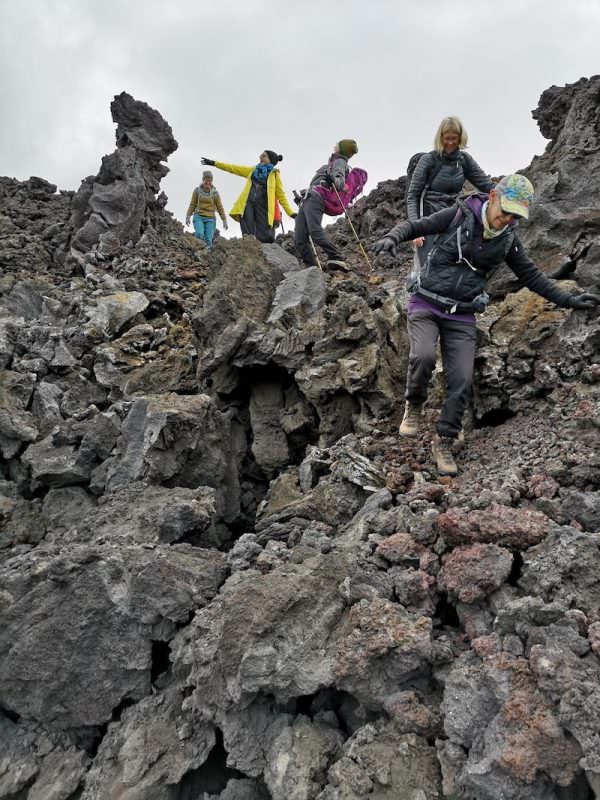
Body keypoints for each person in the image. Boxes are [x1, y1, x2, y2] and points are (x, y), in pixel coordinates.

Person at [373, 174, 600, 477]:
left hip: (462, 313)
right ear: (492, 196)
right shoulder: (457, 214)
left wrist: (569, 299)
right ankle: (413, 405)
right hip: (426, 302)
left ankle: (444, 441)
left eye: (514, 215)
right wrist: (391, 237)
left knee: (462, 379)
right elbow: (416, 226)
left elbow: (532, 277)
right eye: (505, 210)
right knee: (424, 356)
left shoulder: (507, 240)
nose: (507, 219)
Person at [407, 117, 494, 266]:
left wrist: (507, 194)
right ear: (440, 138)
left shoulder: (464, 160)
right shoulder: (429, 160)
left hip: (454, 217)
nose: (451, 142)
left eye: (455, 138)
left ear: (461, 138)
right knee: (428, 266)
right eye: (447, 138)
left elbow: (485, 183)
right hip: (429, 219)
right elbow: (413, 196)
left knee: (454, 264)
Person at [201, 150, 295, 243]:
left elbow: (281, 196)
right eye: (260, 155)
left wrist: (290, 213)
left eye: (264, 156)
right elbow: (233, 168)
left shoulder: (274, 175)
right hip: (248, 203)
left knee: (265, 237)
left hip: (263, 206)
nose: (260, 157)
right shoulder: (253, 170)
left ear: (271, 160)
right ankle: (248, 244)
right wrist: (214, 163)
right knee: (248, 234)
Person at [294, 139, 358, 271]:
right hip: (308, 198)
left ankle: (337, 257)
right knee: (300, 237)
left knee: (314, 231)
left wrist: (333, 179)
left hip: (315, 198)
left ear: (342, 149)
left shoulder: (339, 162)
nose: (334, 145)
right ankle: (312, 268)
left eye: (337, 144)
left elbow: (339, 184)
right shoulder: (331, 163)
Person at [185, 170, 227, 249]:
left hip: (210, 218)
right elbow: (192, 204)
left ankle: (207, 257)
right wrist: (188, 216)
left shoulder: (215, 193)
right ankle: (197, 252)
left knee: (208, 239)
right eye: (206, 180)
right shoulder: (197, 191)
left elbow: (220, 207)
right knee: (199, 234)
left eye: (210, 180)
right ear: (203, 180)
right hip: (198, 216)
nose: (208, 182)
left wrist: (224, 220)